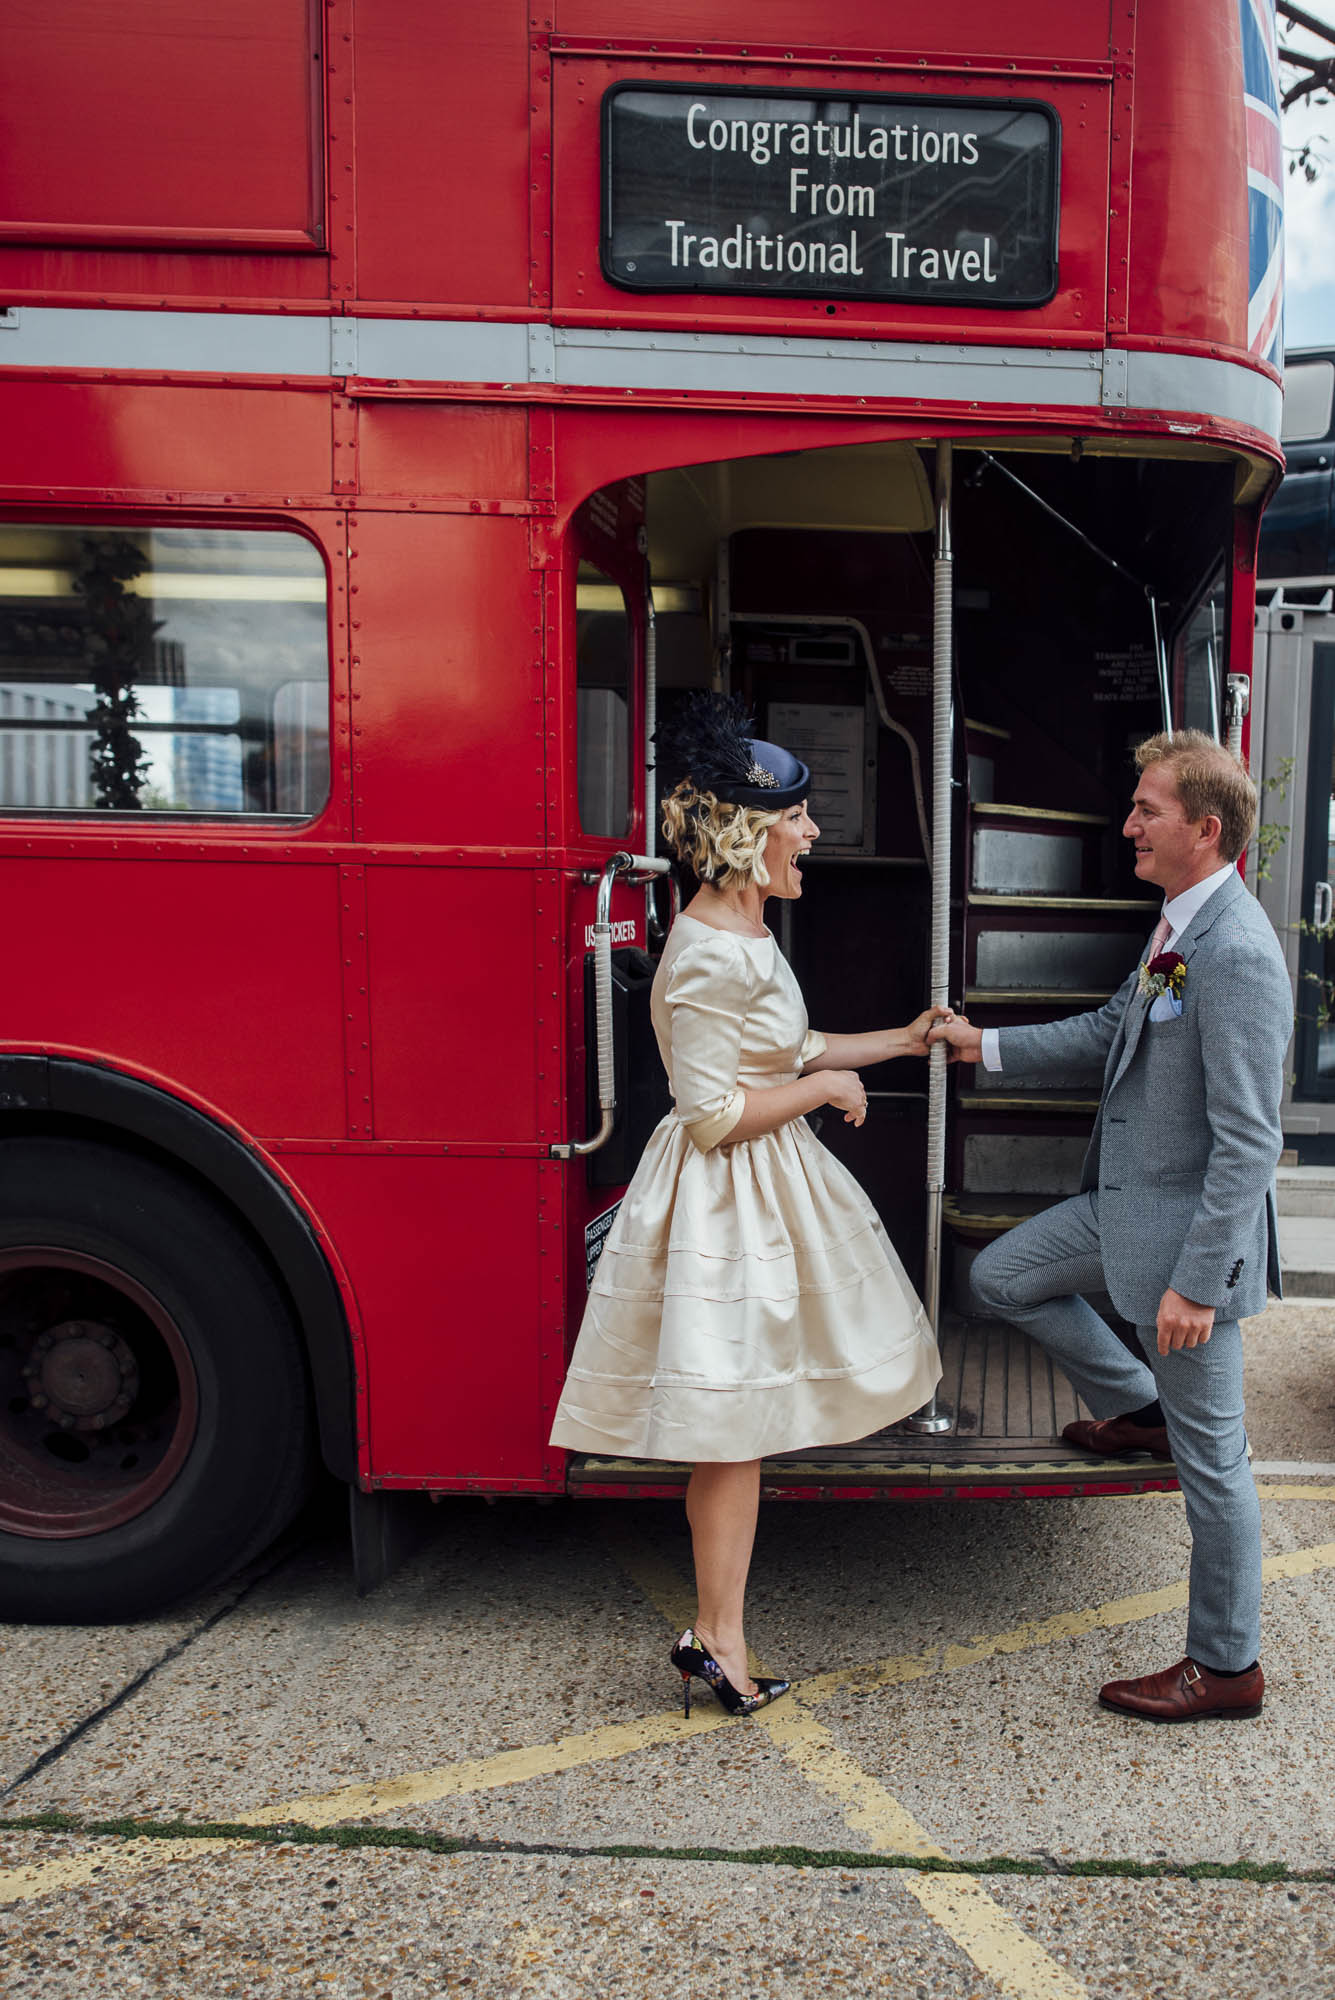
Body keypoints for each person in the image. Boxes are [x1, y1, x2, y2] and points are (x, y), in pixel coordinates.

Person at [550, 692, 944, 1716]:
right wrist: (821, 1092)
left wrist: (899, 1041)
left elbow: (794, 1047)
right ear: (750, 833)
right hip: (726, 1202)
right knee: (731, 1431)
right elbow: (717, 1113)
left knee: (739, 1432)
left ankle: (719, 1633)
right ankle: (717, 1634)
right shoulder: (708, 951)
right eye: (798, 819)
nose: (812, 833)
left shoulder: (744, 929)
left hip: (755, 1191)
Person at [930, 729, 1292, 1722]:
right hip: (1125, 1212)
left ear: (1204, 829)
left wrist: (1197, 1284)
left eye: (1147, 810)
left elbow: (1249, 1139)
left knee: (1216, 1466)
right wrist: (982, 1046)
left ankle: (1226, 1665)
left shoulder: (1238, 954)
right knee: (999, 1276)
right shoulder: (1179, 928)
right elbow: (1109, 1032)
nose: (1127, 824)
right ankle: (1140, 1407)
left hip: (1185, 1248)